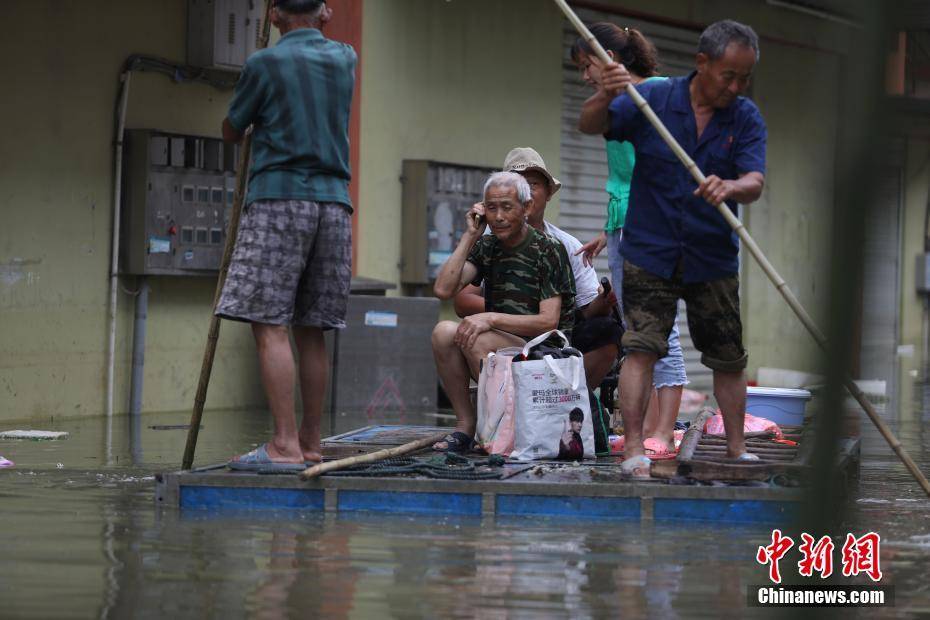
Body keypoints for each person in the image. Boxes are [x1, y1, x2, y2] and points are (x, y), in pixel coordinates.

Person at [579, 19, 767, 478]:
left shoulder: (745, 116)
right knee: (641, 347)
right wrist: (605, 93)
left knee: (727, 355)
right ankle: (636, 448)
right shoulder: (656, 100)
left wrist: (732, 186)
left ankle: (737, 448)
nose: (736, 86)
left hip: (712, 256)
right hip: (650, 251)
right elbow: (590, 124)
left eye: (745, 77)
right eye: (729, 75)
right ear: (702, 64)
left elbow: (755, 181)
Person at [215, 0, 357, 471]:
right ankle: (311, 441)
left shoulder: (264, 62)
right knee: (311, 327)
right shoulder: (345, 58)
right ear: (324, 11)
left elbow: (233, 130)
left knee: (270, 324)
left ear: (273, 14)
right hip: (334, 205)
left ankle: (283, 444)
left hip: (279, 198)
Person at [571, 24, 688, 456]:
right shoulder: (611, 104)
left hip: (656, 225)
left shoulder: (661, 91)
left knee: (660, 328)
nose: (585, 77)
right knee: (638, 330)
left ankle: (664, 429)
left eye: (588, 66)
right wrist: (608, 230)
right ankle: (647, 433)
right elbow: (623, 172)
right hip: (623, 223)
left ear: (612, 60)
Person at [453, 147, 620, 390]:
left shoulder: (559, 245)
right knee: (446, 333)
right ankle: (477, 419)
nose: (526, 192)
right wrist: (499, 316)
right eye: (518, 185)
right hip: (501, 332)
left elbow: (573, 313)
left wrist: (606, 300)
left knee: (608, 330)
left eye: (533, 184)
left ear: (545, 195)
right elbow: (456, 297)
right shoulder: (487, 241)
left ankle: (572, 400)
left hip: (548, 336)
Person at [432, 171, 576, 452]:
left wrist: (490, 317)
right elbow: (444, 289)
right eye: (491, 207)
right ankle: (465, 426)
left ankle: (498, 430)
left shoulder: (548, 249)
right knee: (443, 332)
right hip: (503, 346)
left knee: (477, 336)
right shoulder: (487, 246)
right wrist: (470, 235)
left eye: (507, 207)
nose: (498, 217)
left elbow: (548, 321)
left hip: (544, 353)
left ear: (527, 207)